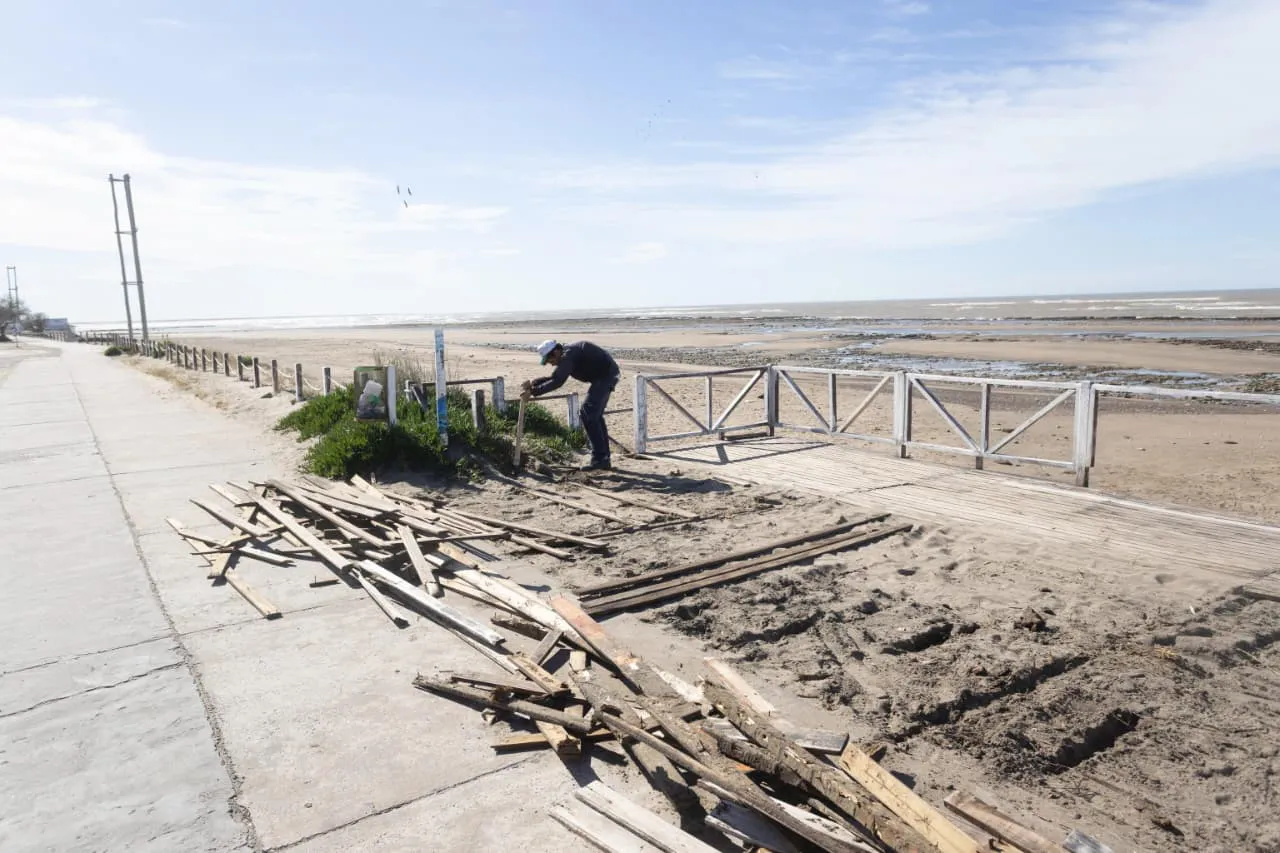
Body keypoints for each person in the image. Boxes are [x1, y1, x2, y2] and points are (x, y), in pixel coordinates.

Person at [522, 339, 620, 470]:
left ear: (556, 352)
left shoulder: (568, 355)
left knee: (588, 413)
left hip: (606, 376)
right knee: (594, 416)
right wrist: (534, 384)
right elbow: (555, 377)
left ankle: (600, 458)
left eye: (550, 360)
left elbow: (558, 381)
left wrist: (534, 392)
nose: (551, 364)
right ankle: (603, 458)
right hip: (607, 374)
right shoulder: (567, 354)